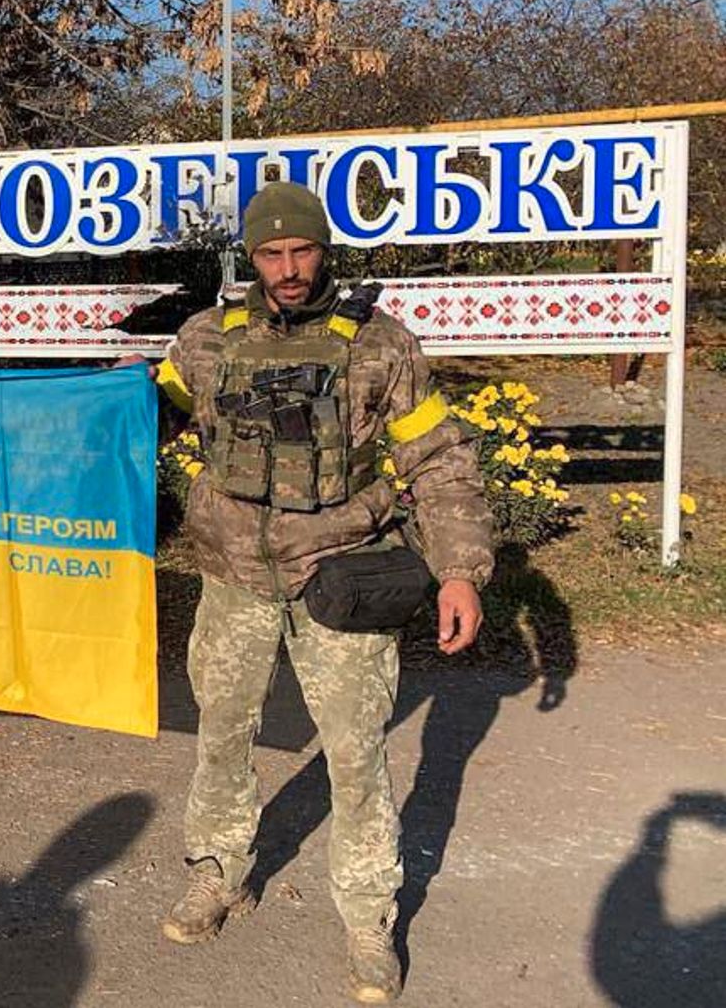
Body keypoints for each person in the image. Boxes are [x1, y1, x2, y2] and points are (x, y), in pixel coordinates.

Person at [150, 182, 493, 1003]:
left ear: (324, 250)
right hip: (233, 577)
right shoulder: (204, 339)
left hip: (340, 575)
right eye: (272, 253)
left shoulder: (381, 345)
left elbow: (439, 458)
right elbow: (141, 419)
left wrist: (459, 570)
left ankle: (370, 916)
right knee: (221, 735)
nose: (289, 268)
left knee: (355, 753)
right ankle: (217, 870)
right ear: (251, 258)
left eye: (302, 250)